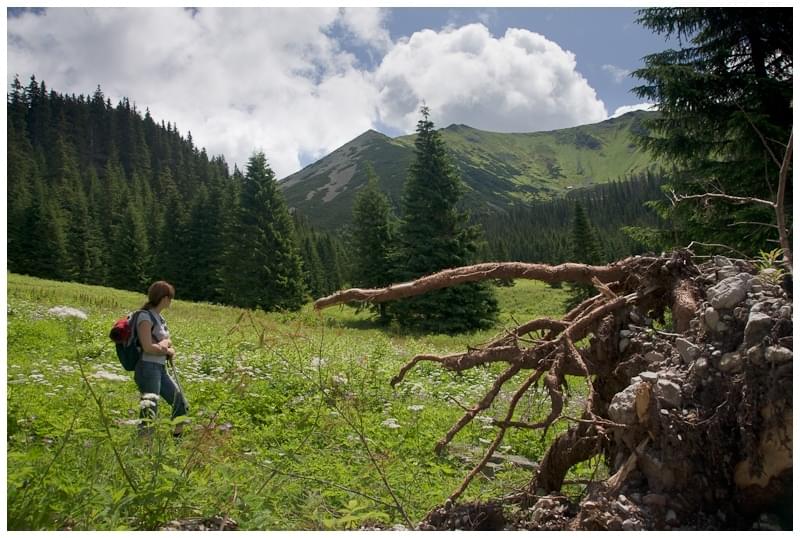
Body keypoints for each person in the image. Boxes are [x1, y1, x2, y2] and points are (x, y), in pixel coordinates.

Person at [135, 280, 188, 437]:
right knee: (150, 410)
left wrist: (164, 346)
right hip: (147, 368)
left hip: (160, 368)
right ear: (164, 298)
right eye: (170, 298)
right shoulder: (144, 317)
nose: (171, 301)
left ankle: (177, 440)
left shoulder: (161, 319)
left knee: (180, 402)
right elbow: (147, 347)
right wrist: (165, 347)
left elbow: (169, 343)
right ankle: (143, 448)